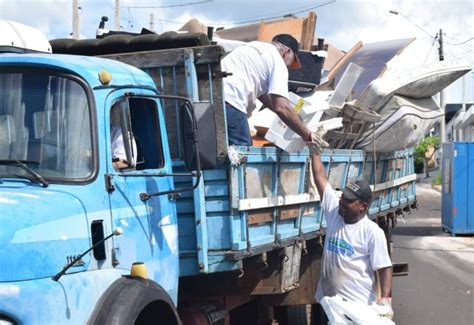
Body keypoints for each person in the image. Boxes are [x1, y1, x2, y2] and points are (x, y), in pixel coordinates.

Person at [310, 151, 393, 323]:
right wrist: (314, 150)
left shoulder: (371, 232)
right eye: (343, 196)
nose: (342, 201)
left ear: (362, 206)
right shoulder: (334, 212)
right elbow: (320, 177)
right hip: (327, 304)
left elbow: (384, 268)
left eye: (348, 200)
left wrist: (386, 300)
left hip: (354, 310)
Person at [221, 33, 316, 147]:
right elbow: (281, 107)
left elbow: (263, 95)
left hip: (212, 97)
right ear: (287, 51)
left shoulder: (253, 47)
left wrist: (292, 117)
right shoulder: (278, 62)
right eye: (293, 61)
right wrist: (307, 135)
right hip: (232, 102)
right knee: (243, 151)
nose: (290, 66)